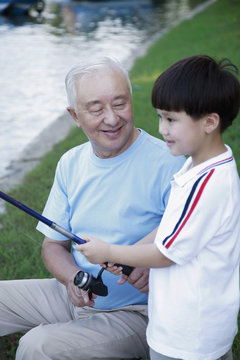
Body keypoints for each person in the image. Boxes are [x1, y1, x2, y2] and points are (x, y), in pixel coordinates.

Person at [0, 57, 185, 360]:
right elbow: (53, 245)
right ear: (75, 115)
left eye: (120, 104)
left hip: (139, 312)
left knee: (37, 346)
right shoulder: (70, 163)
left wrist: (152, 267)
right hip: (78, 295)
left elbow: (190, 239)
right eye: (97, 109)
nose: (111, 119)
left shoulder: (172, 162)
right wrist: (72, 277)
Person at [77, 55, 240, 360]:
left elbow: (165, 254)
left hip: (189, 339)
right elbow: (171, 230)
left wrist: (110, 251)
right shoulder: (197, 168)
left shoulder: (206, 184)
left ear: (209, 122)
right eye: (160, 117)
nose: (162, 129)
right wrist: (130, 254)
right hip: (186, 331)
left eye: (171, 119)